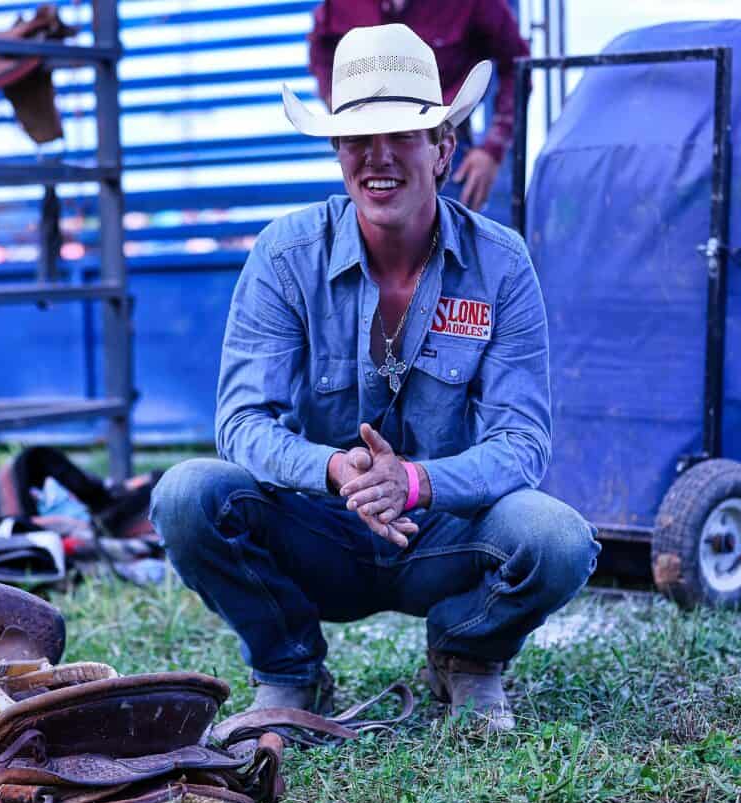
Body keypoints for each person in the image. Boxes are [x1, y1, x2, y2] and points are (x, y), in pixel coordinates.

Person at [149, 24, 598, 733]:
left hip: (443, 532)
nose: (378, 157)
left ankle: (466, 653)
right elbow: (241, 422)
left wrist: (415, 482)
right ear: (336, 151)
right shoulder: (285, 254)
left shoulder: (501, 263)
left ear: (443, 149)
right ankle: (291, 670)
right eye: (357, 137)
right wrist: (333, 469)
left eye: (403, 134)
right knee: (187, 496)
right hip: (319, 529)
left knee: (559, 539)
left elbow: (522, 442)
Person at [308, 0, 529, 211]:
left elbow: (517, 65)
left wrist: (492, 149)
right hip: (363, 137)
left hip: (436, 137)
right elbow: (320, 48)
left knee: (445, 238)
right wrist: (336, 99)